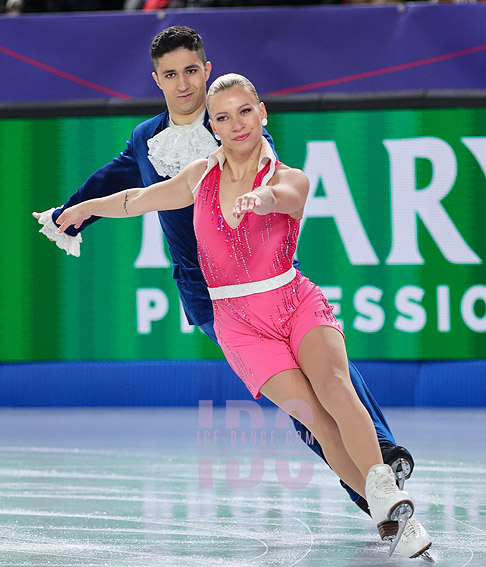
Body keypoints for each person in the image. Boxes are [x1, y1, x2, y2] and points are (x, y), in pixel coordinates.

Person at [33, 25, 413, 519]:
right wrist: (73, 211)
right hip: (210, 296)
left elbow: (272, 176)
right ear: (158, 80)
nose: (183, 83)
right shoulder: (147, 140)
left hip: (266, 280)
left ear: (207, 71)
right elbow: (119, 184)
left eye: (191, 70)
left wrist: (258, 198)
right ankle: (368, 496)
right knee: (301, 402)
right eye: (171, 75)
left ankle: (382, 458)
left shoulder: (240, 131)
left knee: (330, 374)